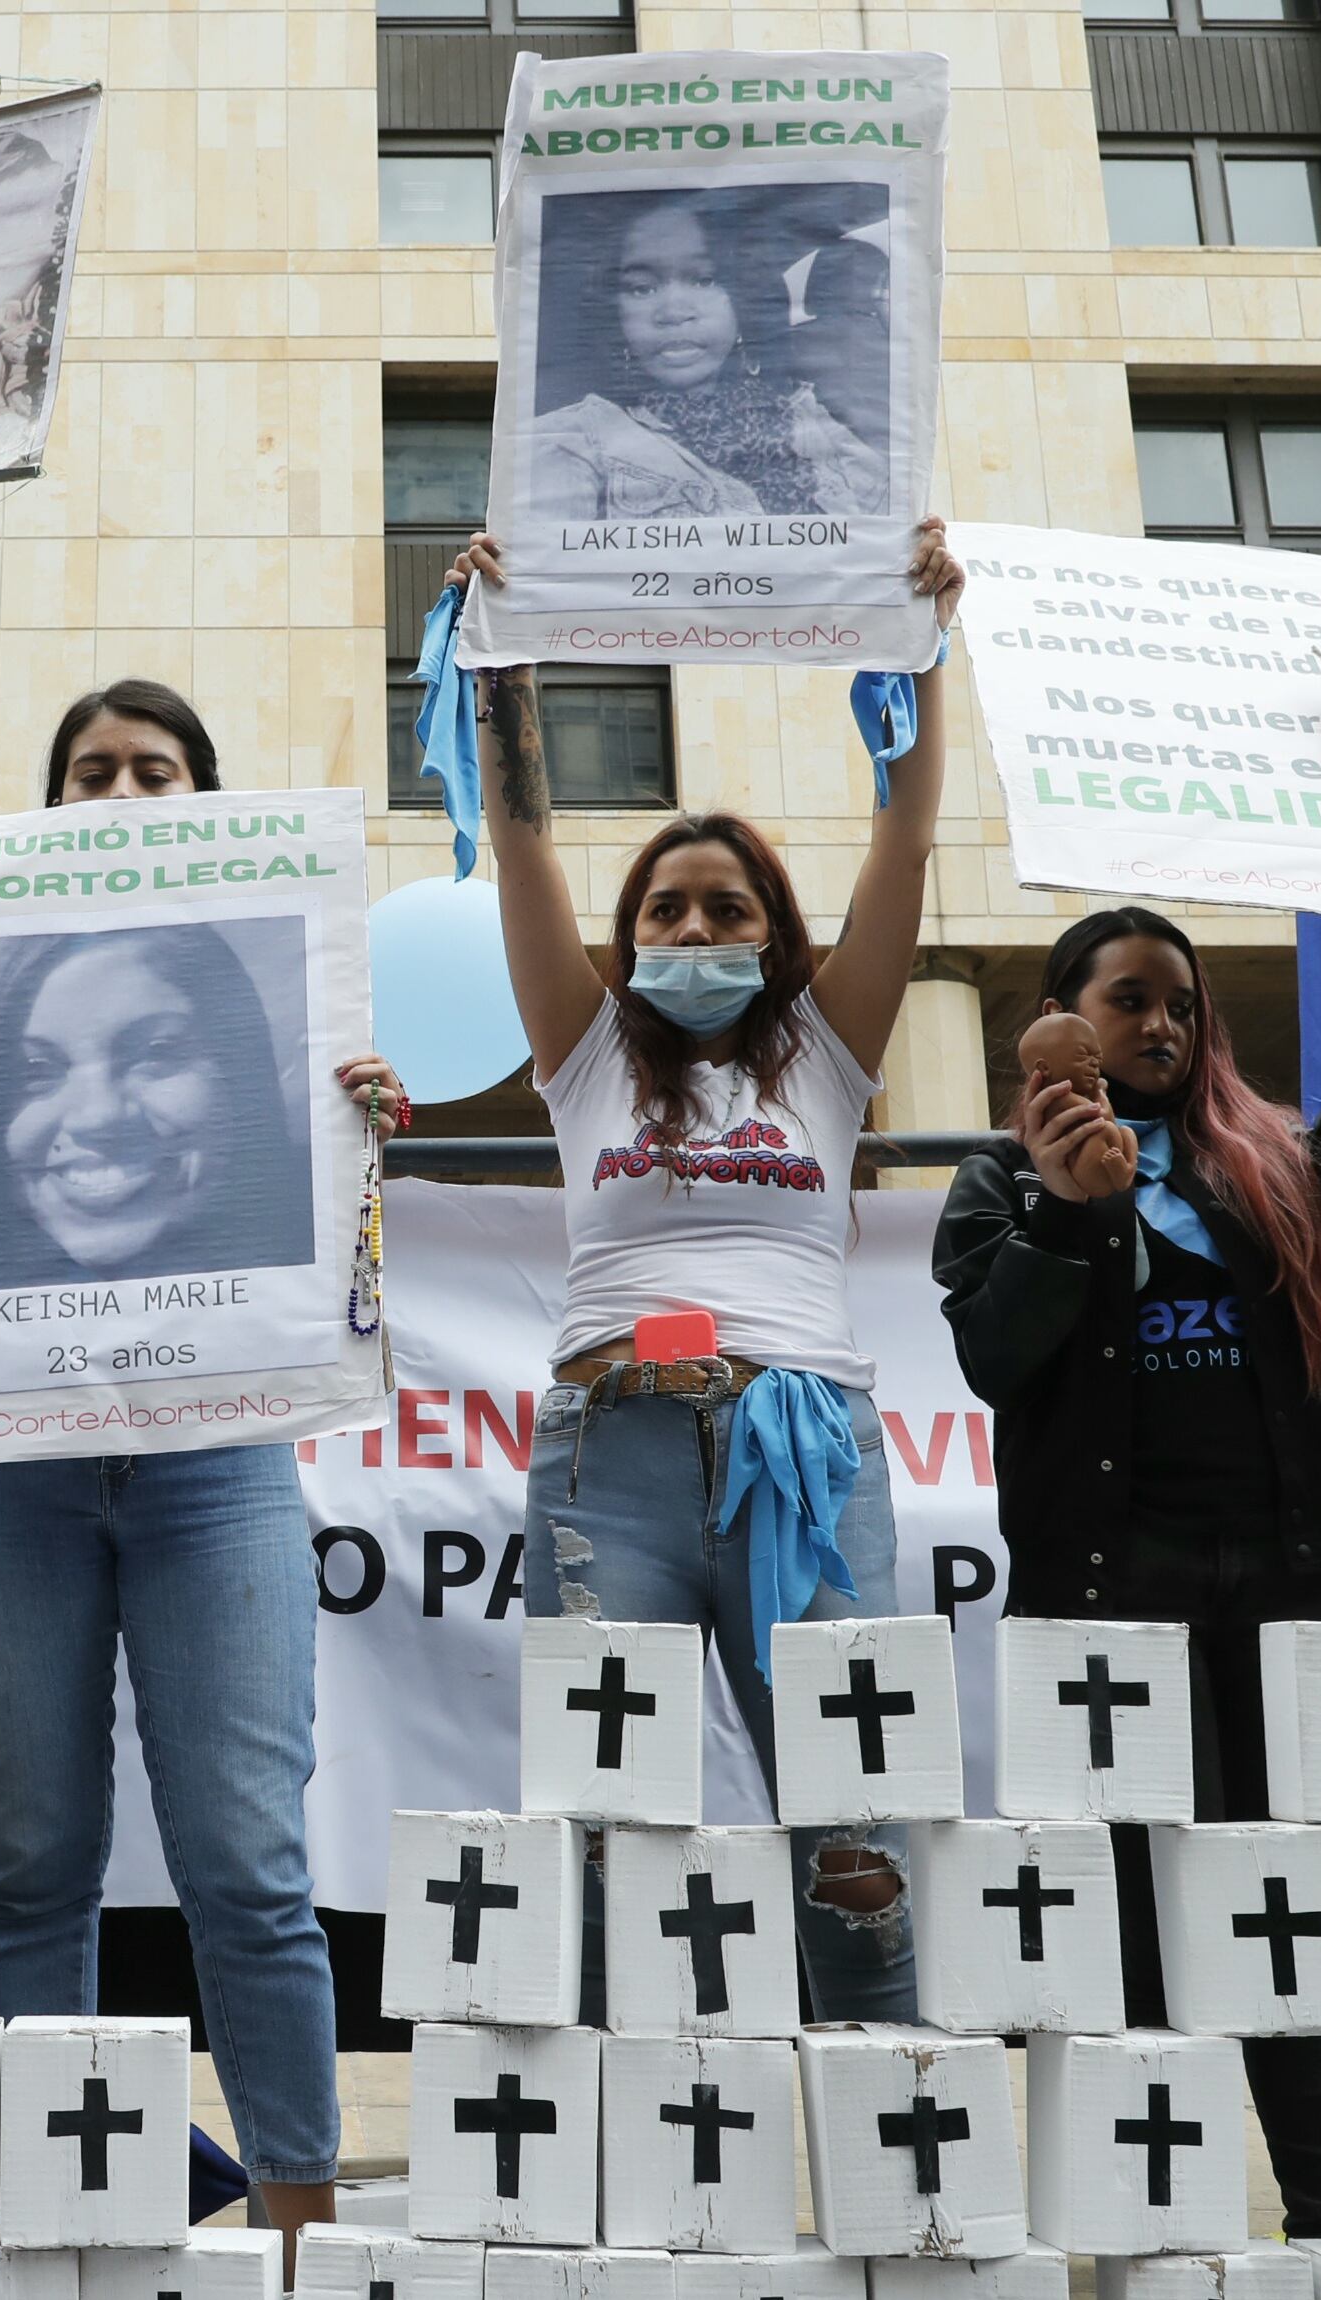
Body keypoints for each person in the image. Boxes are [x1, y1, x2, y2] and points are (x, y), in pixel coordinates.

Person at [0, 677, 401, 2257]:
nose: (120, 795)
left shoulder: (297, 975)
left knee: (248, 1869)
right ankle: (53, 2227)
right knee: (31, 1862)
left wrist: (362, 1136)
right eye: (90, 772)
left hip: (217, 1467)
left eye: (158, 772)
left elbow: (335, 1208)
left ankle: (305, 2239)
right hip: (1, 1469)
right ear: (45, 810)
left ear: (211, 802)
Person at [930, 884, 1321, 2236]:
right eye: (1129, 998)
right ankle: (1163, 2225)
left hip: (1292, 1584)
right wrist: (1076, 1215)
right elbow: (994, 1358)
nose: (1162, 1024)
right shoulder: (1001, 1183)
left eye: (1182, 1007)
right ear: (1059, 1026)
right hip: (1115, 1599)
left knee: (1289, 1919)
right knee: (1137, 1917)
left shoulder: (1281, 1157)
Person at [447, 517, 960, 2023]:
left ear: (778, 938)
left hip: (806, 1451)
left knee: (850, 1824)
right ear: (627, 938)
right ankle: (622, 2165)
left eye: (727, 909)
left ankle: (886, 2153)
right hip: (614, 1462)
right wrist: (502, 661)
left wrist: (926, 641)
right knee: (610, 1829)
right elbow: (525, 839)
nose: (691, 925)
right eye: (664, 907)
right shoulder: (587, 1048)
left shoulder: (829, 1050)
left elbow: (906, 839)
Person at [0, 917, 312, 1291]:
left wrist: (366, 1150)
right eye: (36, 1070)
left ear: (240, 1075)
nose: (98, 1115)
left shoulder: (342, 1241)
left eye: (157, 1052)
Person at [523, 192, 886, 524]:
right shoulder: (573, 440)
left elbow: (891, 552)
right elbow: (543, 582)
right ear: (613, 312)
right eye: (642, 287)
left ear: (744, 295)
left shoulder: (811, 421)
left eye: (704, 280)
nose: (674, 311)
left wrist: (927, 565)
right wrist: (470, 587)